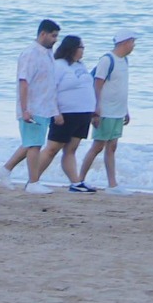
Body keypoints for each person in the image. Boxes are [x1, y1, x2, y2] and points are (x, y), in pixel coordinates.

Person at [0, 18, 62, 186]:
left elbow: (50, 84)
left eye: (57, 36)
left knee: (32, 143)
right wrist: (25, 109)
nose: (55, 40)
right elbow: (24, 81)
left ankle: (5, 169)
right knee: (34, 145)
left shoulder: (48, 54)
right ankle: (33, 183)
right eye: (53, 36)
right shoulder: (30, 54)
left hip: (44, 107)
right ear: (43, 34)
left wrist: (55, 110)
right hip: (32, 107)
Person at [85, 31, 136, 190]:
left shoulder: (124, 60)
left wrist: (125, 110)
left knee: (112, 146)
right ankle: (78, 180)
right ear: (124, 42)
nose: (133, 45)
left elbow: (120, 87)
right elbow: (97, 84)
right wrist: (96, 109)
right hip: (105, 111)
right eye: (132, 42)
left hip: (118, 111)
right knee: (98, 146)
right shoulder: (107, 60)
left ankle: (112, 184)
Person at [49, 34, 98, 189]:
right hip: (66, 114)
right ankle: (33, 179)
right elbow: (50, 90)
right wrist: (55, 112)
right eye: (81, 47)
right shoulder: (59, 65)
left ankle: (75, 182)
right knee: (52, 149)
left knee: (71, 149)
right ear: (72, 48)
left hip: (83, 114)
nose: (83, 50)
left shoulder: (80, 65)